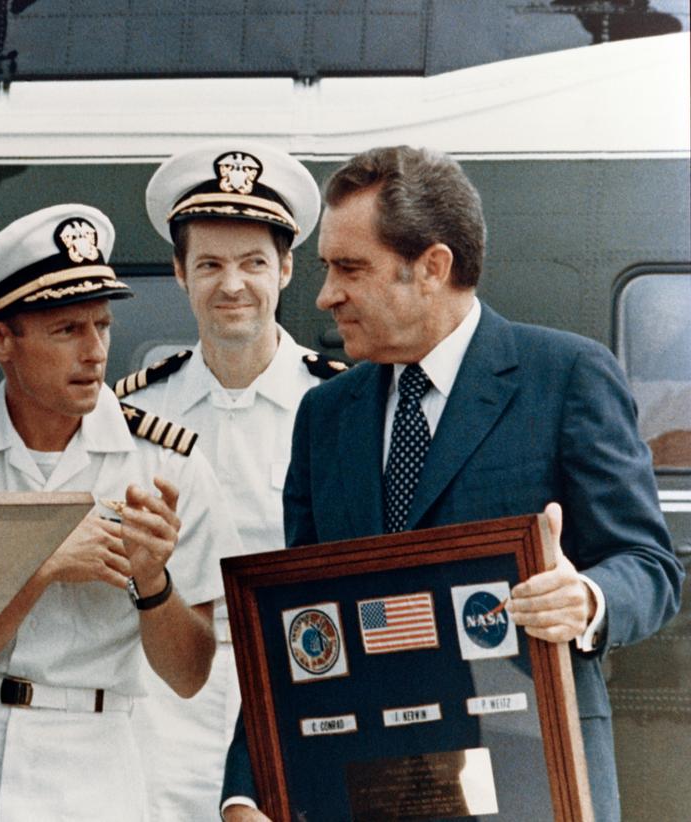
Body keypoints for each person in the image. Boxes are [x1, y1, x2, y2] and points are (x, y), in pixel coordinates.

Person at [220, 146, 684, 822]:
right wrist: (246, 788)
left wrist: (584, 598)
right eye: (327, 269)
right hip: (363, 785)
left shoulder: (564, 377)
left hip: (532, 781)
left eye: (350, 268)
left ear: (432, 267)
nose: (325, 296)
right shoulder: (325, 417)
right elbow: (295, 623)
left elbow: (651, 568)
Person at [0, 203, 242, 821]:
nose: (95, 350)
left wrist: (152, 583)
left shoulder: (168, 464)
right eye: (66, 330)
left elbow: (189, 674)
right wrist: (38, 567)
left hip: (97, 768)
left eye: (100, 326)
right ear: (0, 340)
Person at [116, 141, 346, 822]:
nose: (232, 284)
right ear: (179, 274)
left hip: (301, 691)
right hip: (159, 710)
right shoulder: (132, 414)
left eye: (253, 263)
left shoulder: (336, 407)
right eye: (209, 264)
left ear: (286, 268)